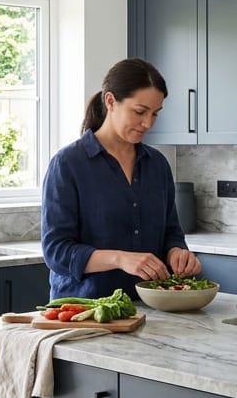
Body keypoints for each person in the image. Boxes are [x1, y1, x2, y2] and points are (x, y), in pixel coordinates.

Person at [41, 57, 202, 301]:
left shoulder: (157, 165)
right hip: (86, 311)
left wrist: (177, 253)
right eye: (139, 112)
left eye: (155, 114)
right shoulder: (68, 164)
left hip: (149, 309)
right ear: (110, 101)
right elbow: (57, 252)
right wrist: (120, 258)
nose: (148, 123)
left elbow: (171, 233)